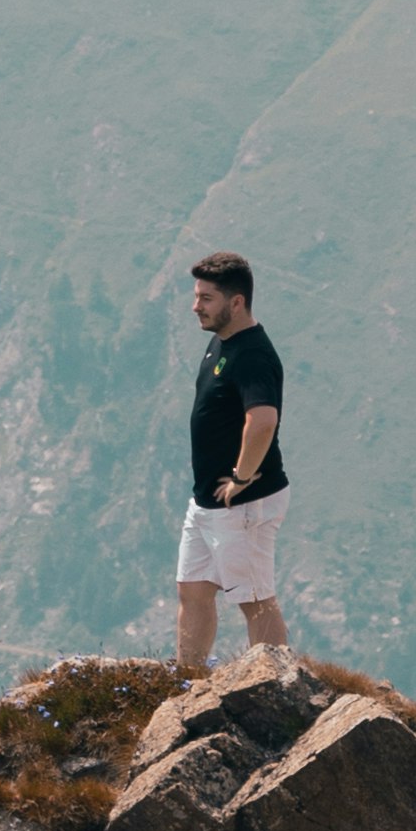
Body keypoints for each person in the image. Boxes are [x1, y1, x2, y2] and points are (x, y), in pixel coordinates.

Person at [172, 251, 289, 668]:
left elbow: (262, 421)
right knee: (193, 590)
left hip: (243, 503)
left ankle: (276, 685)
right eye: (197, 295)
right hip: (206, 501)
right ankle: (188, 682)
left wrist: (241, 478)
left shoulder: (253, 354)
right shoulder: (221, 340)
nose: (196, 306)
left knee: (255, 600)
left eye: (206, 298)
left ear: (236, 302)